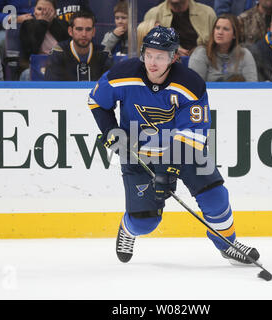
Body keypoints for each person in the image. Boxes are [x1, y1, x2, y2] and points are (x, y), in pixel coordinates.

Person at [88, 26, 260, 265]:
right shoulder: (122, 75)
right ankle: (128, 229)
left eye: (160, 56)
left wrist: (169, 168)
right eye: (148, 54)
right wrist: (111, 131)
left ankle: (227, 244)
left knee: (215, 196)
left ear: (173, 57)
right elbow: (96, 101)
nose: (153, 62)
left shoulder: (190, 84)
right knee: (144, 223)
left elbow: (192, 133)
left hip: (184, 153)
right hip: (139, 156)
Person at [189, 13, 258, 81]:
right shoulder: (201, 53)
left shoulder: (244, 54)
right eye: (217, 28)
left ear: (234, 34)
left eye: (225, 29)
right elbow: (195, 85)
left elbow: (253, 86)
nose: (220, 32)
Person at [44, 10, 110, 81]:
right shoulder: (59, 52)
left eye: (88, 29)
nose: (84, 34)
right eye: (79, 29)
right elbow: (53, 88)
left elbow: (109, 86)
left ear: (93, 32)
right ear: (70, 31)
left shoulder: (104, 53)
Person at [144, 0, 217, 56]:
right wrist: (170, 48)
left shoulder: (208, 14)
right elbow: (146, 48)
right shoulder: (153, 15)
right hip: (166, 65)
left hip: (203, 62)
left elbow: (217, 48)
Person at [19, 0, 69, 80]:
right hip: (35, 66)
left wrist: (47, 23)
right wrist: (43, 24)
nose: (43, 13)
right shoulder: (27, 25)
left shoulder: (63, 25)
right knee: (27, 74)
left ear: (55, 13)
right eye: (39, 9)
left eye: (48, 10)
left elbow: (67, 51)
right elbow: (31, 50)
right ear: (34, 11)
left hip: (59, 65)